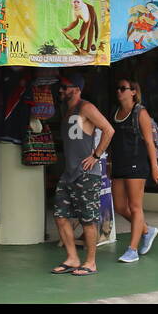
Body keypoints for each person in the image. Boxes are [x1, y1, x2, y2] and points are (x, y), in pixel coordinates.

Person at [51, 71, 114, 277]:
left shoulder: (86, 107)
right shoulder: (66, 110)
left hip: (87, 173)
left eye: (65, 87)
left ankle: (91, 262)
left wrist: (96, 156)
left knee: (88, 220)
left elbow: (108, 129)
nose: (61, 90)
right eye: (61, 86)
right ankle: (72, 258)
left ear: (77, 89)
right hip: (69, 173)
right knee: (60, 216)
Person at [109, 78, 158, 263]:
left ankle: (132, 249)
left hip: (136, 164)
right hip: (118, 164)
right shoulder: (114, 112)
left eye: (123, 88)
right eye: (117, 88)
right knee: (119, 206)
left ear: (133, 92)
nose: (119, 91)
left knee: (135, 206)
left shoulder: (140, 112)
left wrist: (154, 167)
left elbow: (149, 141)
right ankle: (147, 230)